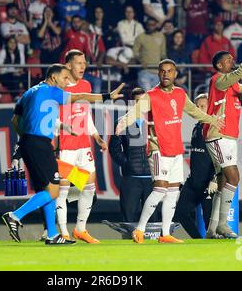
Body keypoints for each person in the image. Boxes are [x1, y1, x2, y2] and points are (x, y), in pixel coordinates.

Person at [1, 63, 124, 244]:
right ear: (53, 77)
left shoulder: (29, 92)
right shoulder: (51, 91)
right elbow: (80, 96)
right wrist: (107, 96)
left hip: (29, 143)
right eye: (65, 78)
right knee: (54, 190)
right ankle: (15, 215)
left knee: (50, 189)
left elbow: (15, 119)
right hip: (40, 144)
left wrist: (24, 138)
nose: (67, 82)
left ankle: (52, 234)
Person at [115, 59, 224, 244]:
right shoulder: (151, 95)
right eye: (162, 71)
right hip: (158, 149)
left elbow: (194, 112)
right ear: (158, 74)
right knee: (159, 190)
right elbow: (135, 111)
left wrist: (211, 120)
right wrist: (123, 122)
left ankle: (165, 234)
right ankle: (139, 230)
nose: (166, 74)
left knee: (172, 193)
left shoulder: (181, 94)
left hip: (176, 150)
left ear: (175, 74)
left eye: (170, 71)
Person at [204, 30, 242, 239]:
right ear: (220, 66)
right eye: (228, 60)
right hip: (217, 134)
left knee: (222, 182)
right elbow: (238, 73)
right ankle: (223, 225)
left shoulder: (232, 86)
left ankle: (212, 228)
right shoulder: (218, 80)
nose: (232, 62)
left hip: (229, 137)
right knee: (233, 177)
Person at [55, 50, 108, 243]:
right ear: (68, 66)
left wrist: (95, 136)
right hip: (65, 147)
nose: (83, 66)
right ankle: (63, 232)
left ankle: (80, 228)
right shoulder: (58, 87)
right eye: (78, 63)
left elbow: (85, 115)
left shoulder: (86, 85)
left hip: (83, 146)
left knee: (89, 185)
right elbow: (51, 118)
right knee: (63, 188)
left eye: (84, 63)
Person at [109, 87, 158, 223]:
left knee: (153, 220)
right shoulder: (122, 122)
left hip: (152, 179)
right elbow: (114, 148)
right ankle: (127, 244)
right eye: (137, 101)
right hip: (131, 179)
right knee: (128, 219)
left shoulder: (156, 122)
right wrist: (127, 163)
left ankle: (155, 243)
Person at [173, 93, 217, 239]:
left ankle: (216, 251)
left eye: (202, 106)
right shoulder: (196, 127)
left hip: (208, 184)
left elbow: (221, 158)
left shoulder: (214, 128)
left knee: (209, 223)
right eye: (197, 107)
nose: (199, 109)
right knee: (180, 213)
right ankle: (198, 241)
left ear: (210, 107)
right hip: (193, 182)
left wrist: (215, 179)